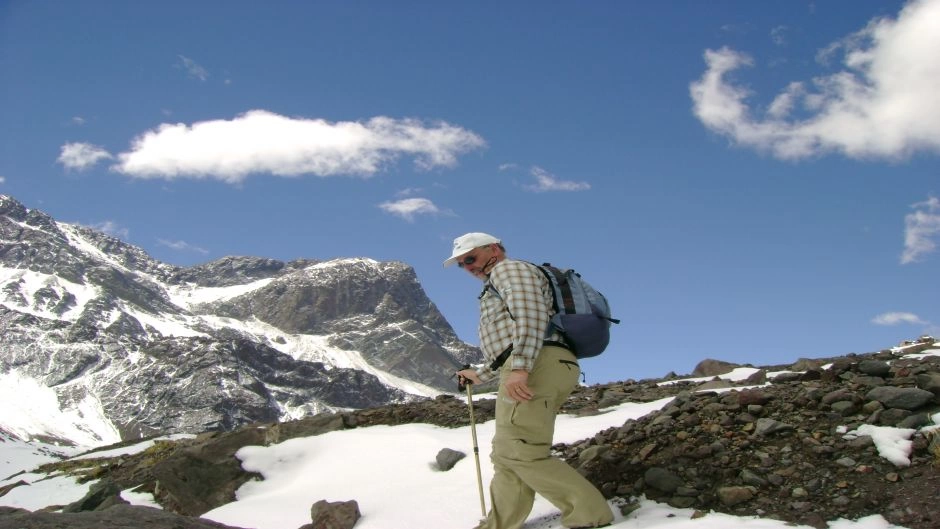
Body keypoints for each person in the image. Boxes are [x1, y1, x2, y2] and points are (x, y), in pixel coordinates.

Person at [445, 232, 613, 529]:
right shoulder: (497, 280)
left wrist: (521, 368)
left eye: (470, 258)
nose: (467, 267)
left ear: (493, 249)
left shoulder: (508, 270)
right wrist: (481, 374)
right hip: (541, 361)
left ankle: (590, 515)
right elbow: (509, 345)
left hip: (538, 363)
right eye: (461, 264)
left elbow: (531, 316)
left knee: (521, 449)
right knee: (507, 453)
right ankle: (500, 524)